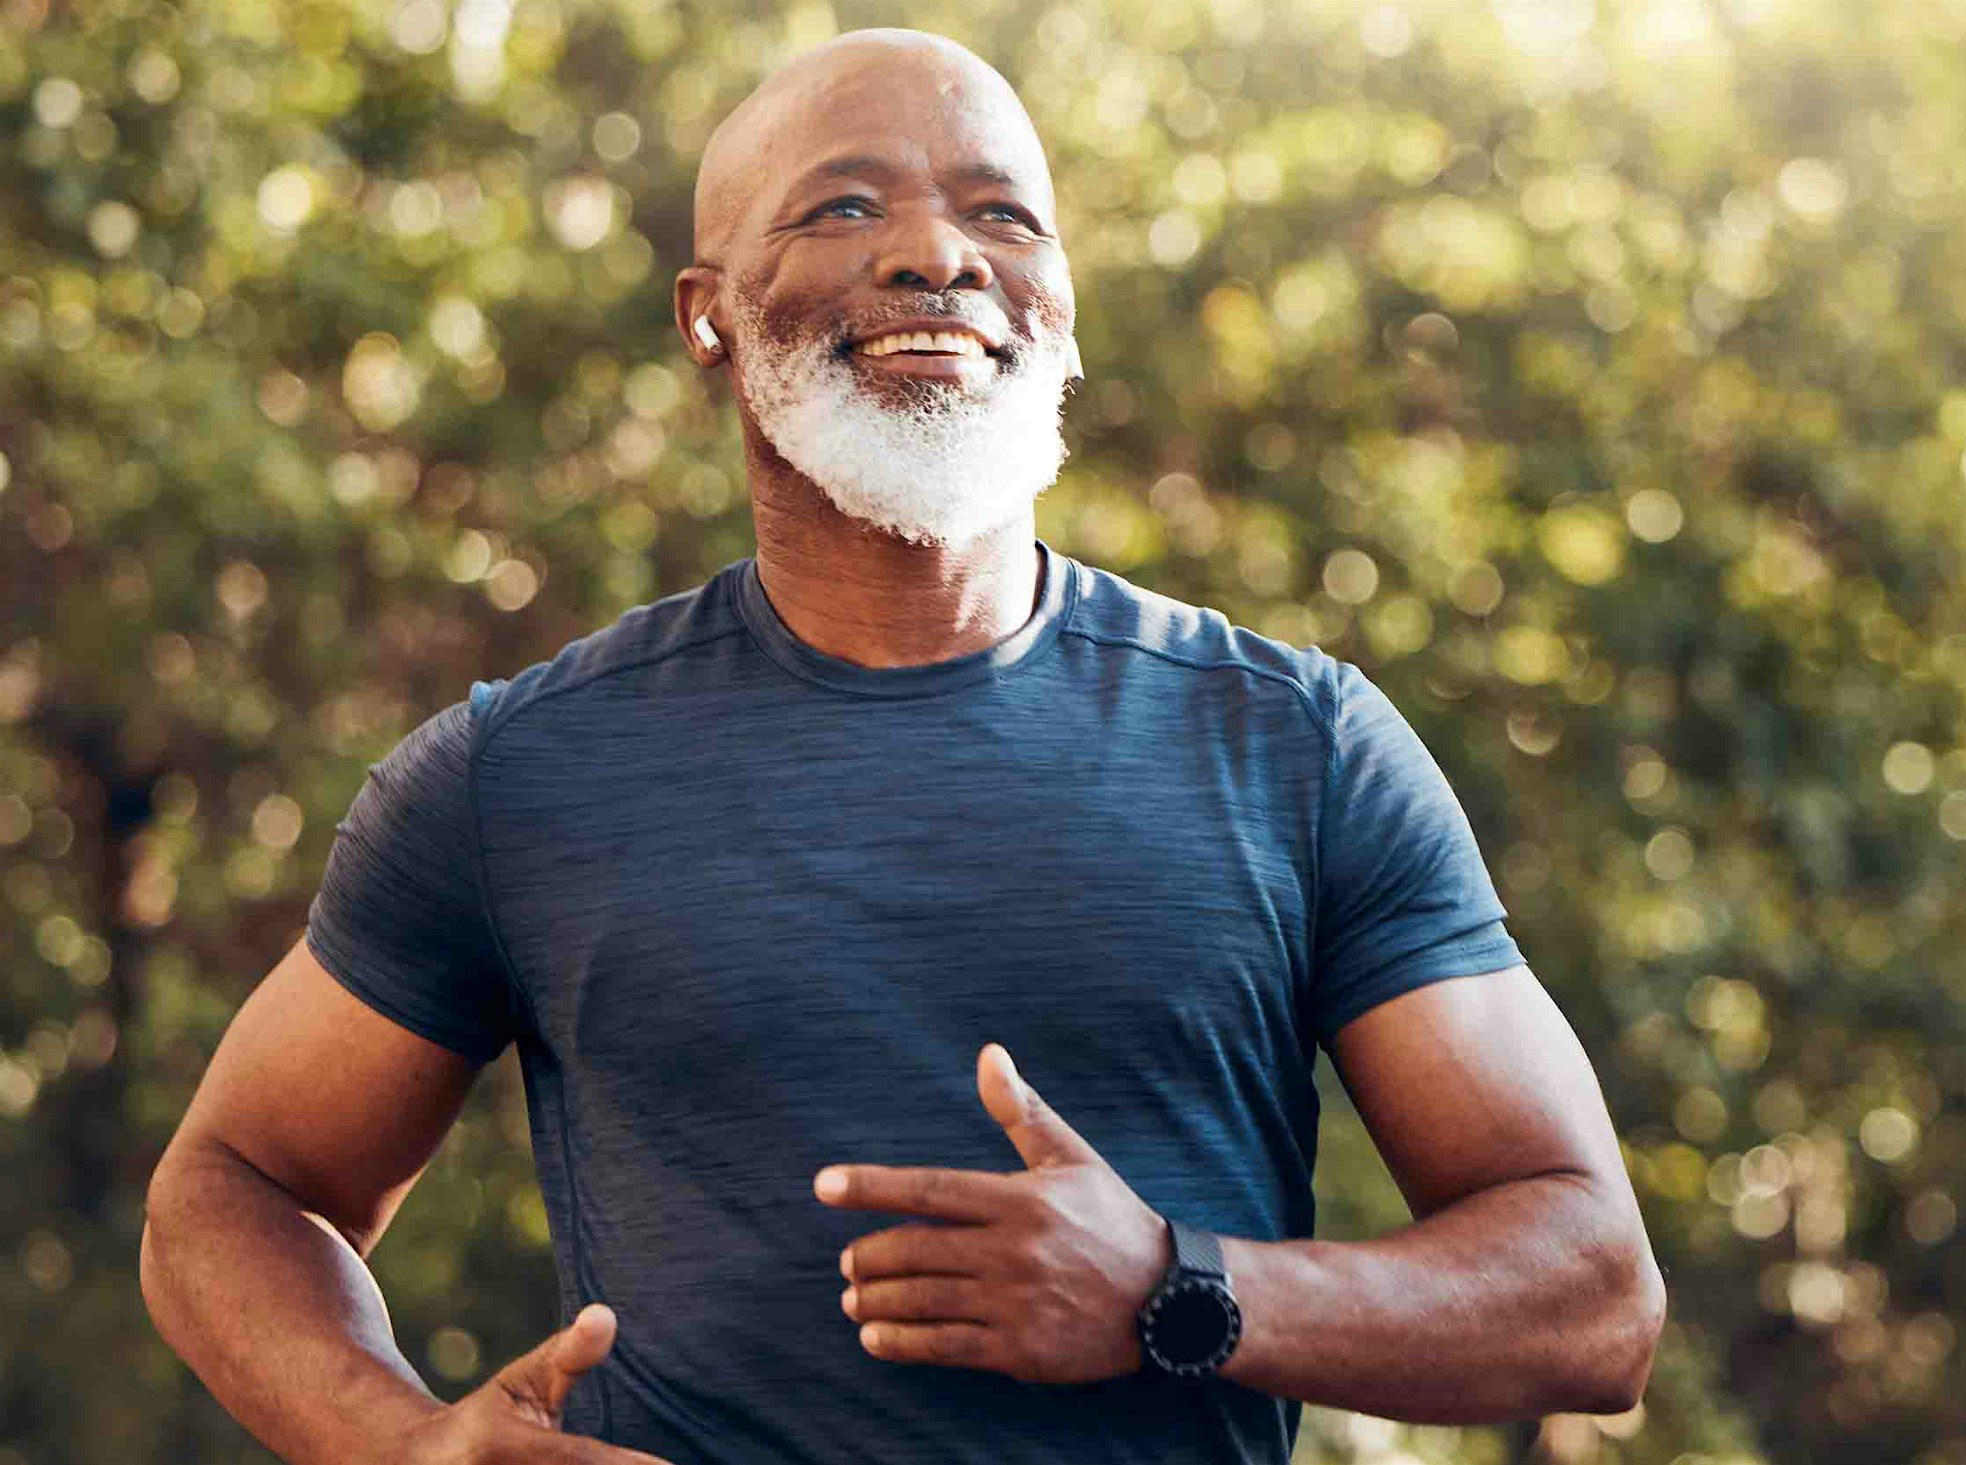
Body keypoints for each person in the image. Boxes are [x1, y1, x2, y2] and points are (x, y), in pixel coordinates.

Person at [138, 26, 1665, 1465]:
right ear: (708, 312)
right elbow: (235, 1189)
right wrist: (396, 1440)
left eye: (1003, 215)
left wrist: (1175, 1287)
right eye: (844, 203)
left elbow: (1595, 1295)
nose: (938, 254)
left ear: (1061, 299)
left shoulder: (1298, 744)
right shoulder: (517, 774)